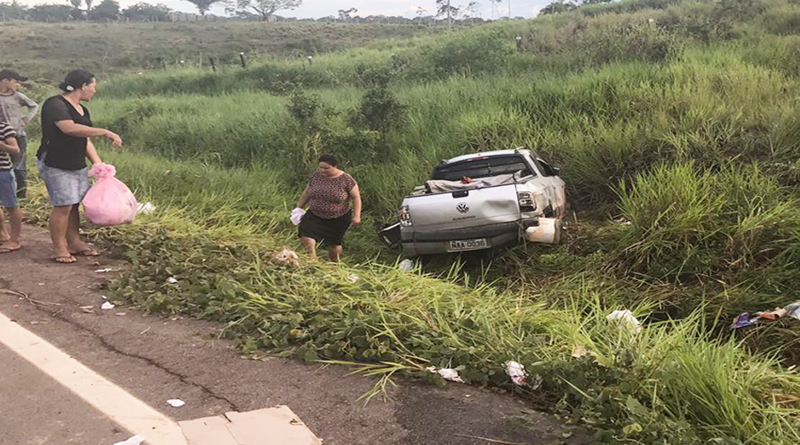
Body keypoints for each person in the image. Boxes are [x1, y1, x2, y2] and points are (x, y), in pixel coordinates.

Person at [37, 69, 123, 264]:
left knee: (74, 203)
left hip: (76, 162)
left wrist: (98, 163)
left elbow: (84, 139)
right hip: (56, 162)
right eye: (93, 87)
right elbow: (69, 128)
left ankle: (75, 242)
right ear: (83, 86)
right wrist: (104, 132)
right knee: (63, 205)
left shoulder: (82, 109)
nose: (94, 91)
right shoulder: (55, 104)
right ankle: (59, 248)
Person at [295, 154, 362, 262]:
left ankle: (334, 263)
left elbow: (356, 197)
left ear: (335, 166)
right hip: (315, 213)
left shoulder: (346, 179)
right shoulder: (316, 176)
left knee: (334, 243)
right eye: (321, 167)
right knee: (305, 232)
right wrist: (298, 208)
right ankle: (312, 258)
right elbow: (307, 192)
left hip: (338, 217)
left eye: (326, 168)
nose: (323, 170)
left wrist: (357, 215)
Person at [0, 69, 39, 199]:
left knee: (18, 167)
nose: (18, 85)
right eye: (16, 82)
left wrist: (25, 119)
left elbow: (34, 106)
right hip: (1, 136)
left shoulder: (17, 96)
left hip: (17, 135)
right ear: (5, 80)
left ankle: (20, 197)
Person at [0, 120, 23, 253]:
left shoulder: (4, 127)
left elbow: (15, 150)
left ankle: (14, 240)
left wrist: (1, 145)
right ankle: (3, 234)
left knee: (11, 206)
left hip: (3, 172)